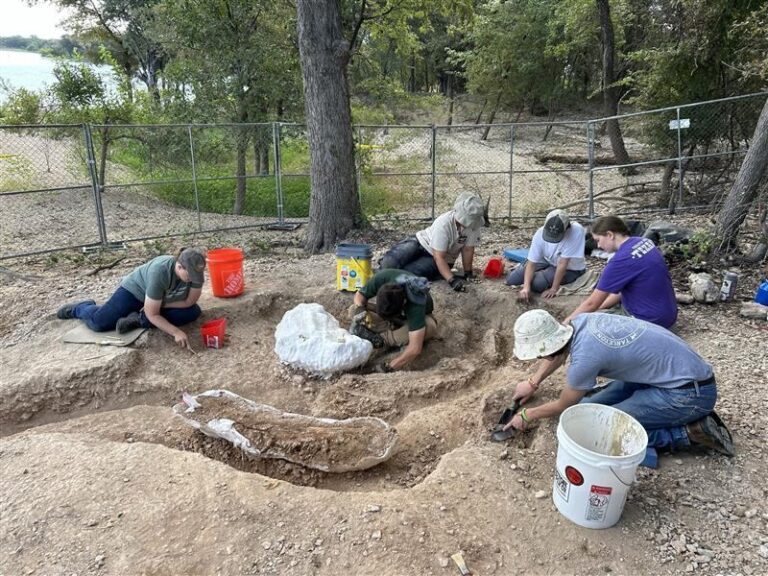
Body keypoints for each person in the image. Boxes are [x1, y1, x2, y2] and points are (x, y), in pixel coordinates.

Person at [504, 309, 734, 467]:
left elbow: (566, 403)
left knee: (601, 430)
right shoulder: (579, 323)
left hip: (689, 393)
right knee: (586, 409)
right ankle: (660, 411)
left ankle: (688, 433)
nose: (540, 357)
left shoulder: (585, 359)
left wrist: (527, 414)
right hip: (669, 376)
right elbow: (558, 352)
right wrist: (533, 382)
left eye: (539, 353)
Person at [57, 247, 206, 350]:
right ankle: (80, 308)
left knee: (192, 311)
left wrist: (161, 306)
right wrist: (176, 332)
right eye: (191, 275)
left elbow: (189, 302)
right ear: (179, 267)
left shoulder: (195, 272)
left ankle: (137, 319)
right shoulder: (160, 271)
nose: (194, 279)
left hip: (160, 300)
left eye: (196, 275)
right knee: (99, 323)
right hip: (135, 291)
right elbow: (153, 314)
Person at [564, 215, 677, 328]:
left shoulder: (620, 261)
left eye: (598, 240)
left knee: (588, 323)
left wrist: (565, 325)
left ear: (610, 235)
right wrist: (600, 306)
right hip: (667, 315)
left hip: (648, 322)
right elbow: (619, 293)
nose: (598, 245)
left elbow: (591, 303)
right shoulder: (645, 242)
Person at [378, 191, 486, 292]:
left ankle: (387, 281)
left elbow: (467, 249)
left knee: (407, 273)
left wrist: (467, 273)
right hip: (421, 242)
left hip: (442, 258)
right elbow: (438, 256)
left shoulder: (473, 227)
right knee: (389, 263)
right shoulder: (444, 223)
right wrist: (452, 280)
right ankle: (381, 271)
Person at [348, 269, 437, 371]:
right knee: (353, 309)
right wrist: (360, 311)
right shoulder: (382, 278)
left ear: (403, 304)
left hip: (409, 320)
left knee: (430, 327)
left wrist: (389, 367)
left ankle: (383, 340)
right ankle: (388, 329)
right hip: (392, 316)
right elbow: (360, 296)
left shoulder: (415, 304)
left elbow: (415, 349)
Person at [506, 209, 586, 301]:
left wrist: (554, 289)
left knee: (537, 284)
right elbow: (532, 262)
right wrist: (526, 287)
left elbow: (563, 264)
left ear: (566, 228)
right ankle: (537, 274)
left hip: (571, 268)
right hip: (548, 260)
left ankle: (541, 276)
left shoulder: (576, 231)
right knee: (512, 279)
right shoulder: (539, 233)